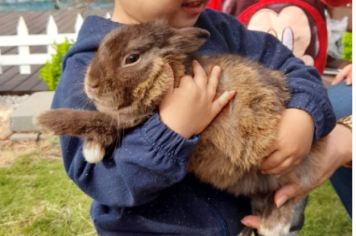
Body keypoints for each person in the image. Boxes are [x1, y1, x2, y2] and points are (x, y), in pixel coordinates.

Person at [51, 0, 337, 235]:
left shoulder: (220, 28)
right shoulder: (87, 69)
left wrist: (304, 115)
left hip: (238, 221)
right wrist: (171, 130)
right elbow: (99, 178)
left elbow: (292, 66)